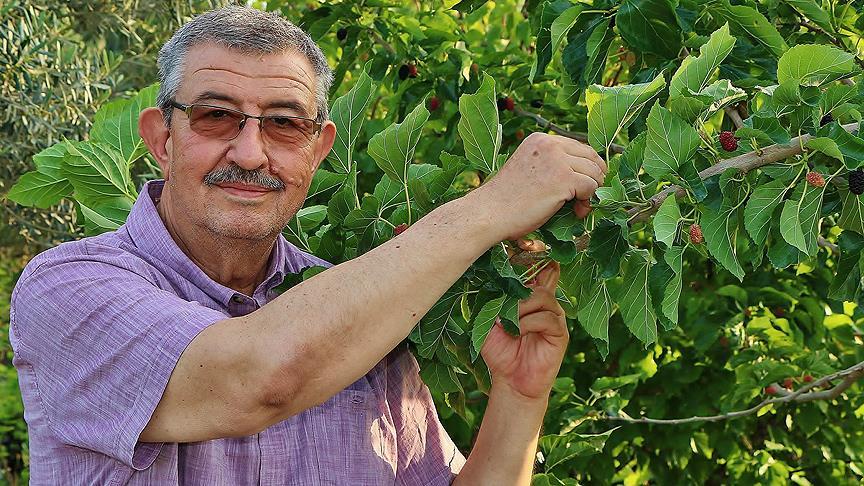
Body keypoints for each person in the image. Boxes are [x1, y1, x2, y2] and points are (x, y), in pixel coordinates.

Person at [9, 6, 606, 485]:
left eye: (283, 123)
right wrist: (489, 209)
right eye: (216, 116)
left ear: (319, 152)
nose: (249, 154)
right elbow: (258, 377)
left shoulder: (356, 318)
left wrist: (520, 396)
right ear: (161, 137)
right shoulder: (67, 288)